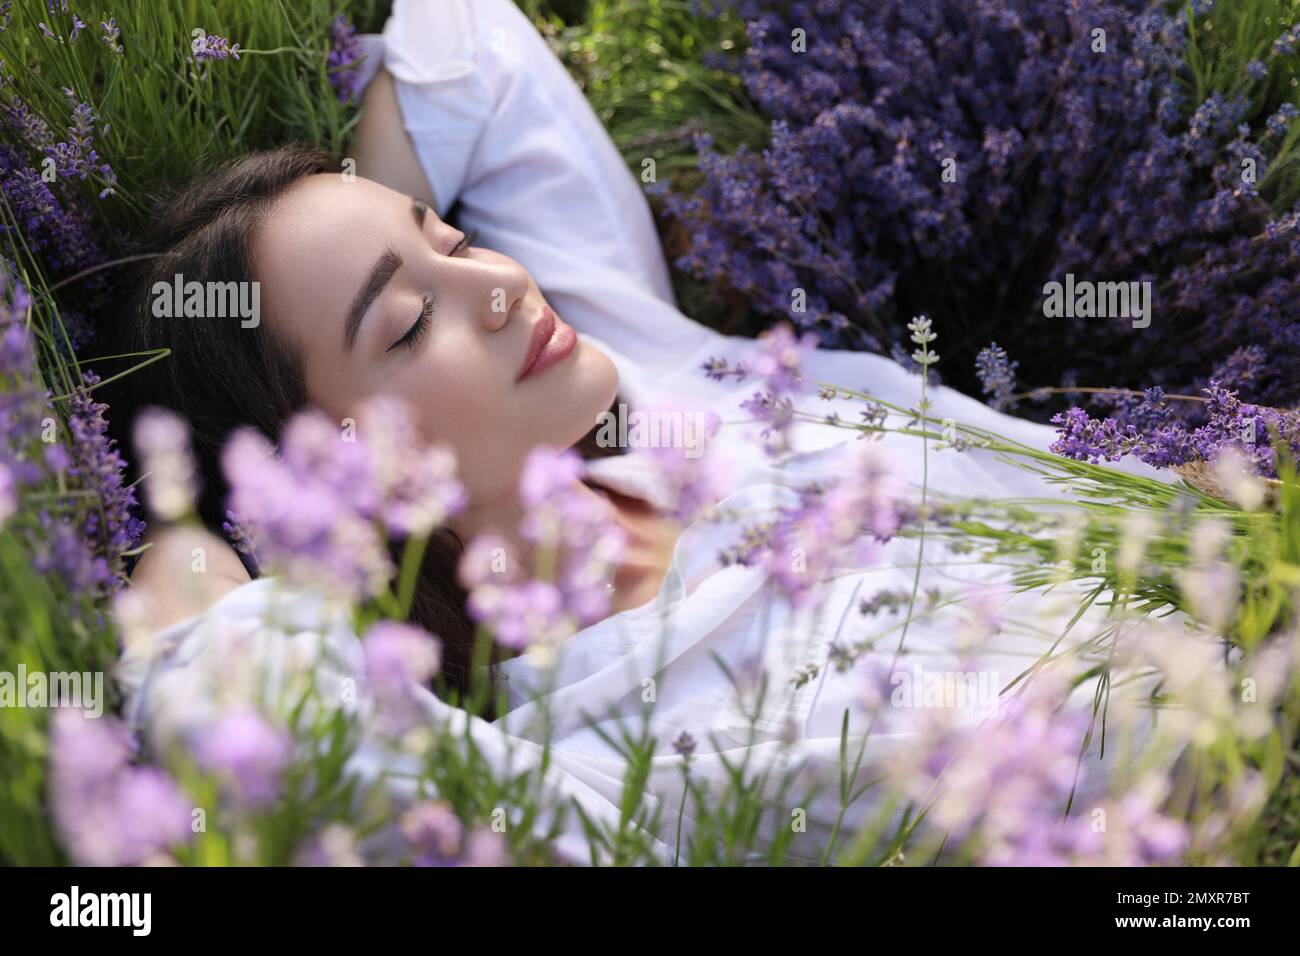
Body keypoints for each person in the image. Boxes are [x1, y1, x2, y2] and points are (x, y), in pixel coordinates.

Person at [108, 0, 1196, 863]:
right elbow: (239, 687)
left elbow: (468, 43)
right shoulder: (597, 772)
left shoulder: (643, 373)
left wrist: (336, 252)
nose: (495, 284)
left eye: (451, 236)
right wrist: (192, 545)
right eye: (406, 323)